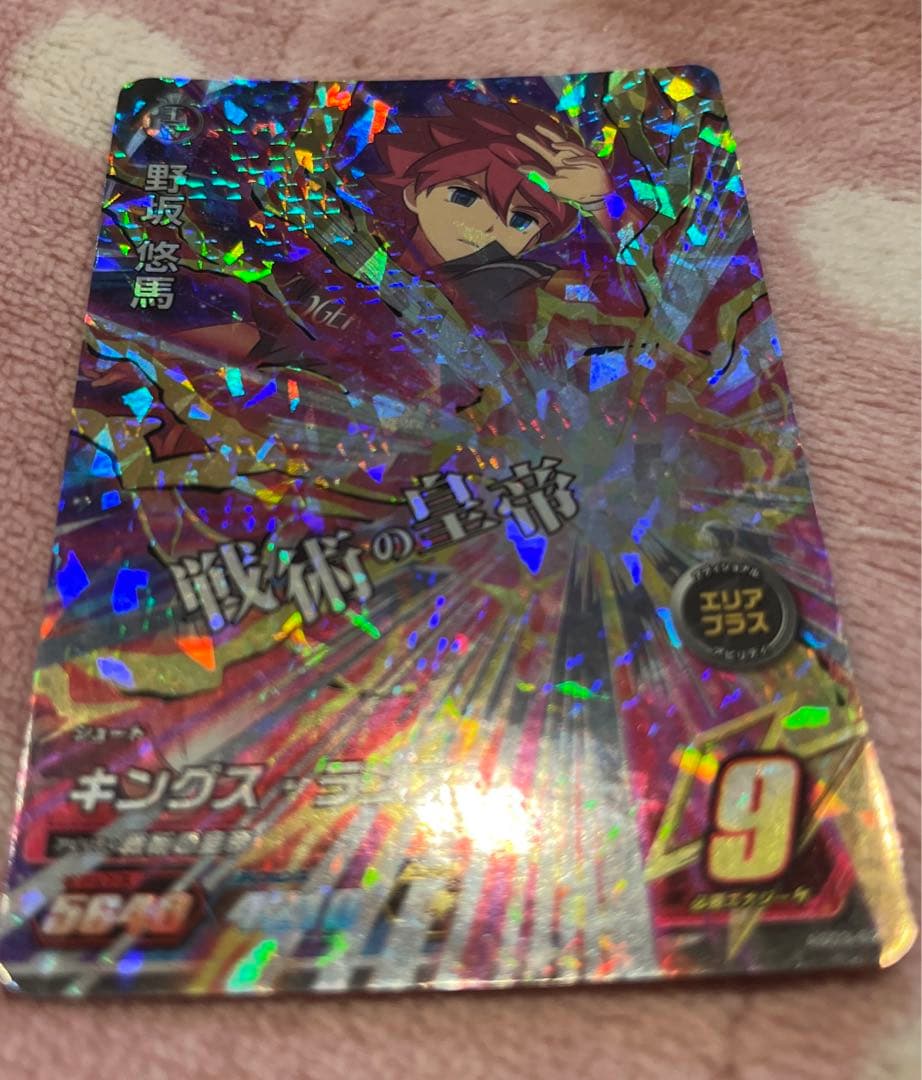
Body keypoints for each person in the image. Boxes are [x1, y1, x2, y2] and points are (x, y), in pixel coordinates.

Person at [370, 96, 639, 330]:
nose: (487, 224)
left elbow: (632, 300)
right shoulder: (368, 248)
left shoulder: (525, 284)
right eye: (464, 197)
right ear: (414, 194)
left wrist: (604, 203)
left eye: (522, 220)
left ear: (533, 242)